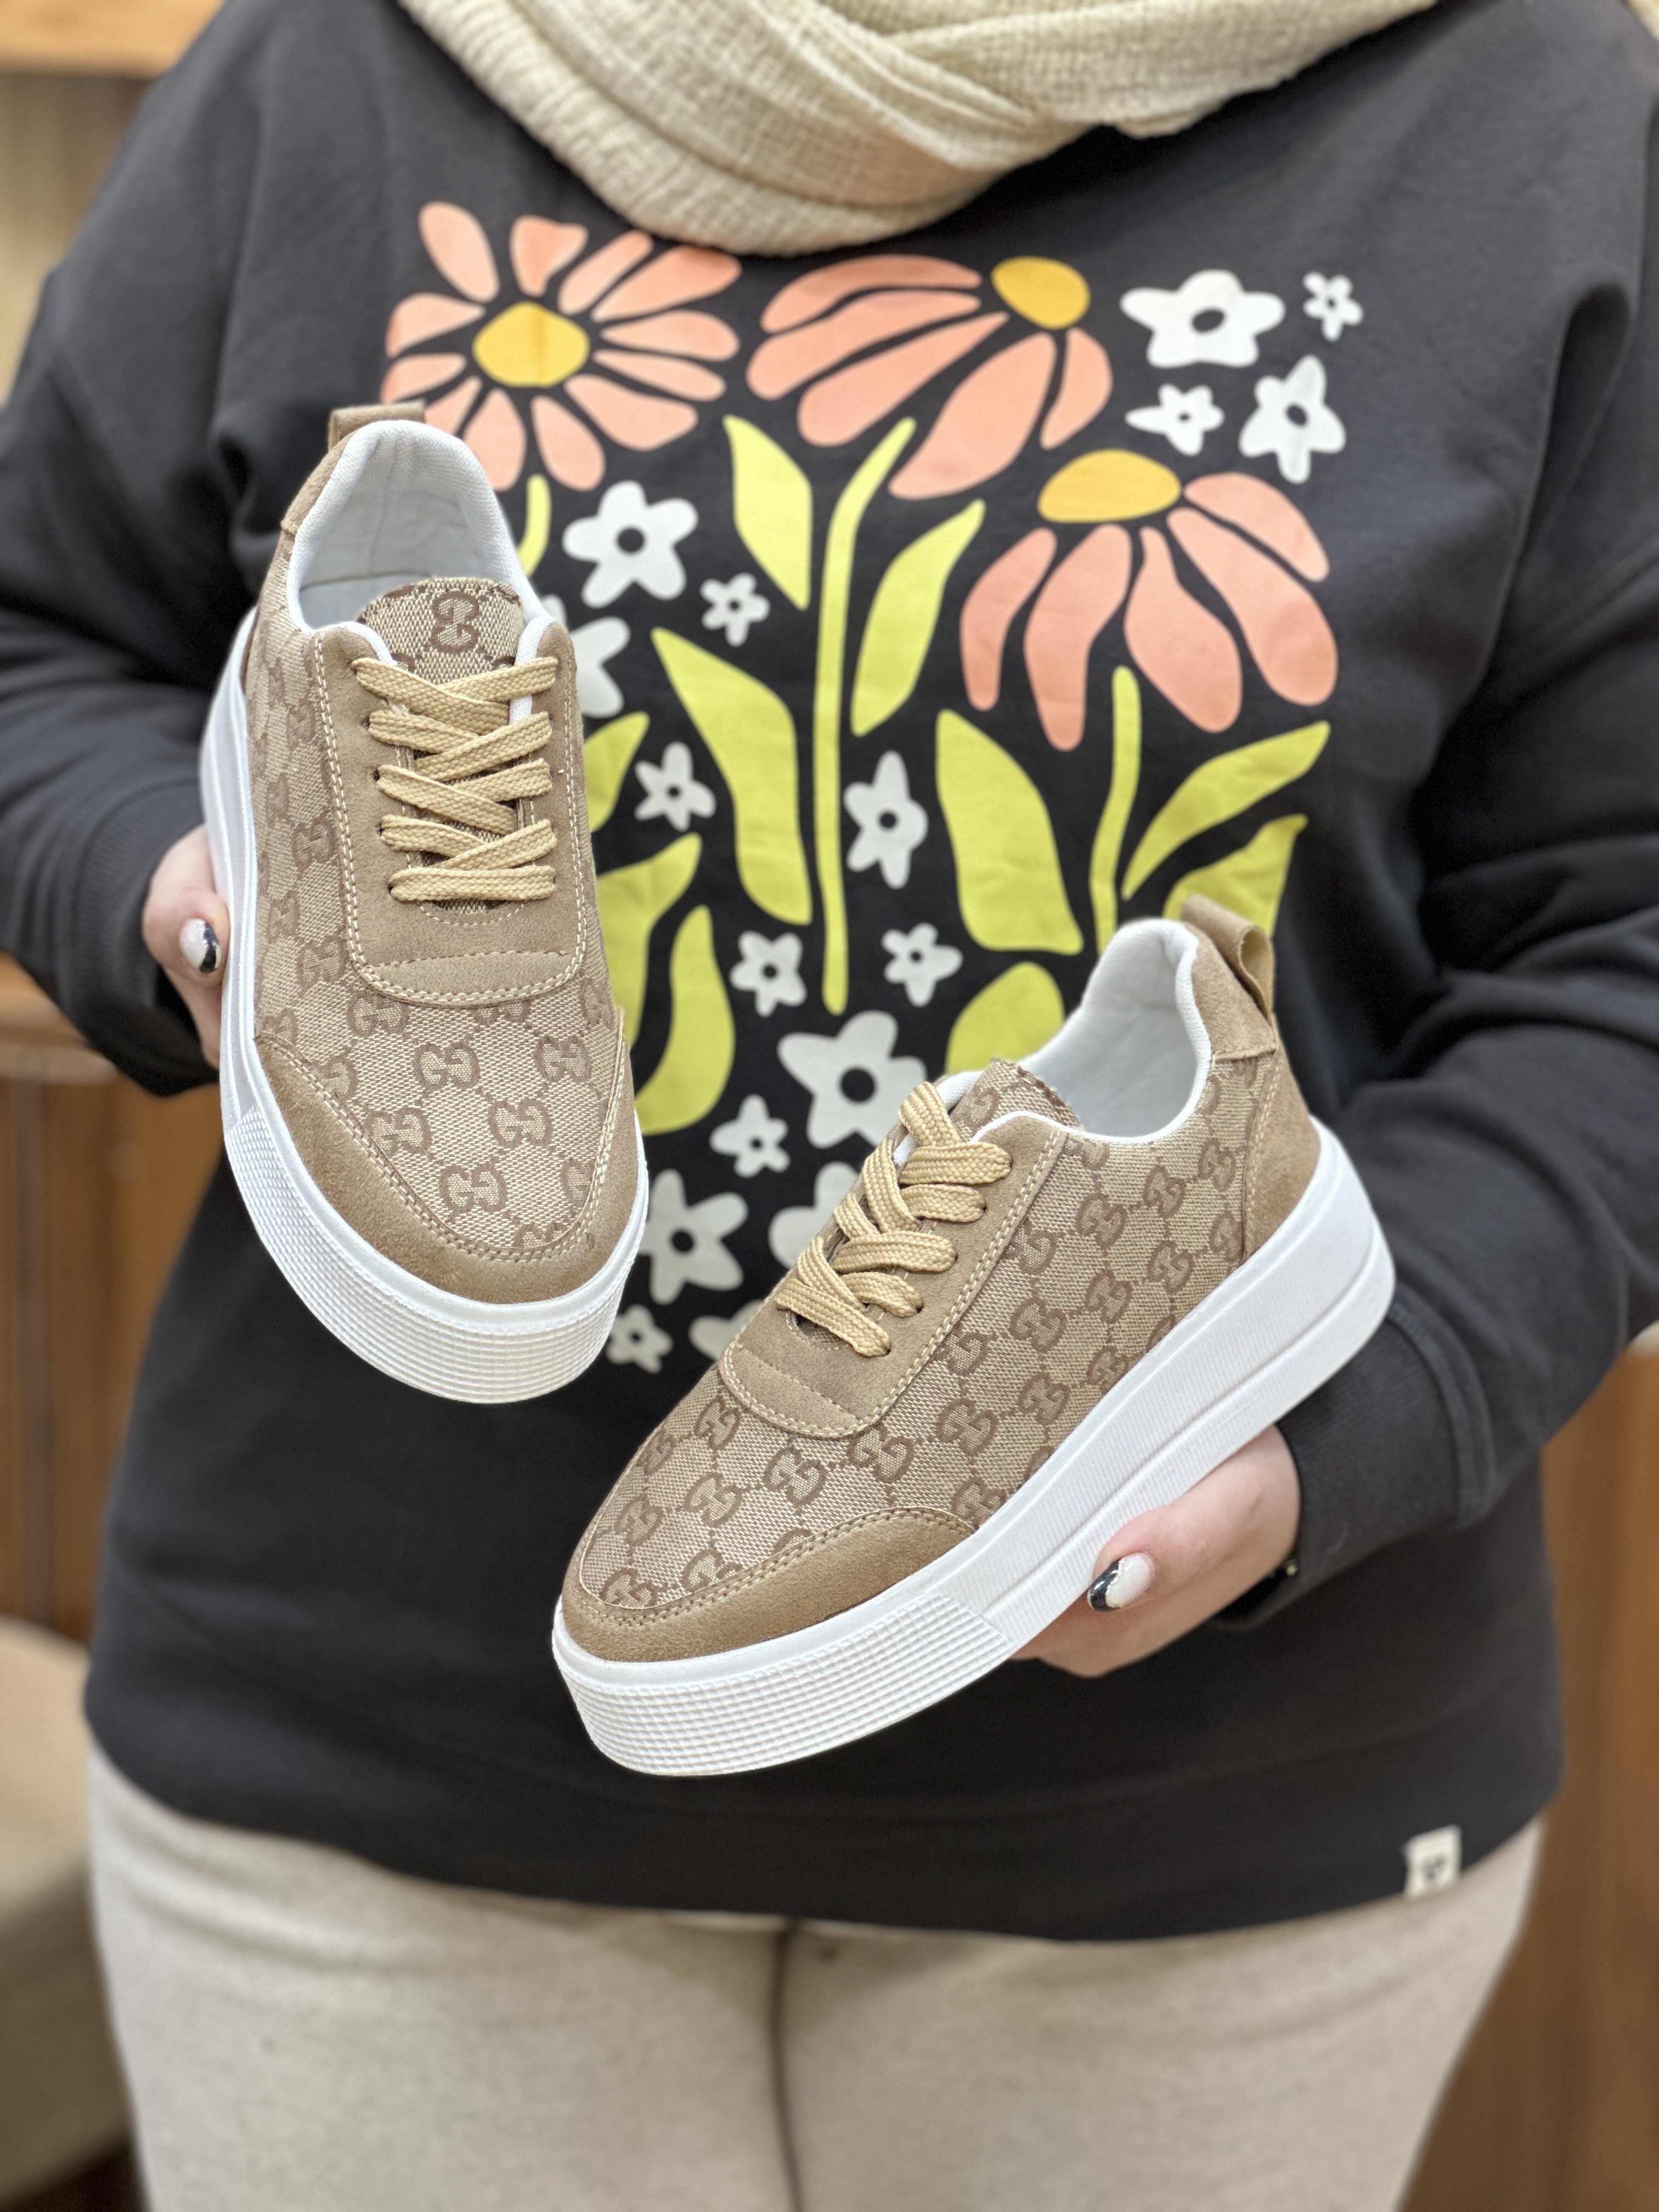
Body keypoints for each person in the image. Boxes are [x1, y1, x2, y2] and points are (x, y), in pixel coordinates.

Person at [1, 0, 1656, 2203]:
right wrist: (202, 905)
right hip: (364, 1754)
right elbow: (38, 636)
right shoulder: (349, 51)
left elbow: (1628, 934)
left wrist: (1325, 1440)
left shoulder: (1533, 100)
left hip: (1218, 1825)